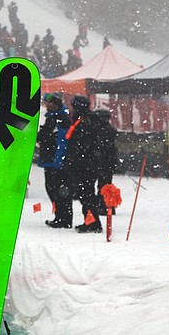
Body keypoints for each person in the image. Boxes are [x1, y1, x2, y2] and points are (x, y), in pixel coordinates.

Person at [62, 95, 110, 233]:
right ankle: (90, 221)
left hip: (86, 165)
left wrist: (75, 161)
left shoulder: (86, 123)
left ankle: (92, 222)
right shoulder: (86, 120)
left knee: (87, 194)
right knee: (86, 193)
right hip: (88, 164)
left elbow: (83, 147)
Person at [39, 93, 73, 228]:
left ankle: (63, 218)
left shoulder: (60, 118)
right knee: (54, 189)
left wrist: (41, 137)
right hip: (52, 159)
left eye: (50, 103)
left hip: (56, 161)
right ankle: (61, 217)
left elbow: (59, 139)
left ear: (56, 104)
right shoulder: (54, 117)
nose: (47, 105)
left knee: (57, 190)